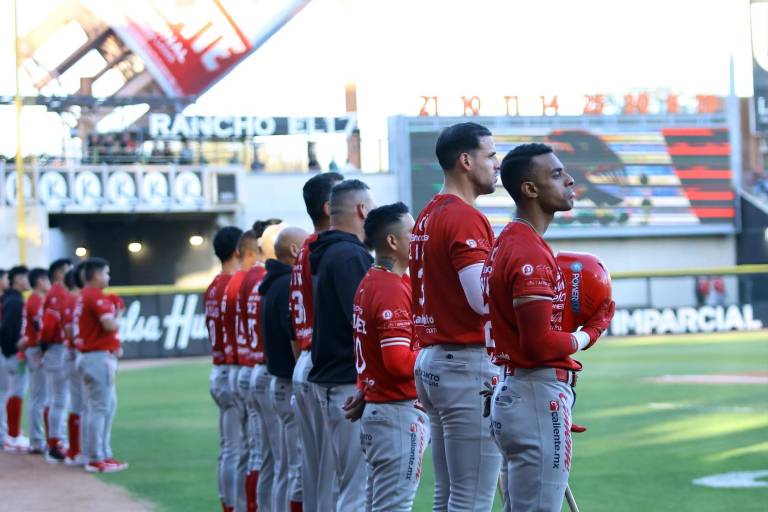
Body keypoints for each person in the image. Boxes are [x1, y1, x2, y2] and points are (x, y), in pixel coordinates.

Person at [483, 143, 614, 511]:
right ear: (530, 189)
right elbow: (539, 345)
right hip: (534, 393)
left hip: (517, 390)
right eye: (556, 174)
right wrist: (591, 331)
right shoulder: (527, 250)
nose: (570, 180)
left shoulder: (508, 240)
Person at [409, 122, 502, 511]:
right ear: (466, 160)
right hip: (465, 365)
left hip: (434, 362)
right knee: (471, 499)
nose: (497, 164)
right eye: (491, 155)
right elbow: (482, 299)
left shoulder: (429, 213)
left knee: (448, 494)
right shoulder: (464, 216)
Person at [345, 202, 429, 512]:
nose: (418, 238)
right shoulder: (390, 288)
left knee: (377, 505)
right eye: (412, 232)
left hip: (381, 411)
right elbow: (396, 363)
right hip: (396, 413)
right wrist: (433, 356)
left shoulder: (372, 282)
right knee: (393, 507)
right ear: (393, 242)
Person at [308, 179, 376, 510]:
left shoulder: (327, 250)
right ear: (362, 209)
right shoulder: (350, 254)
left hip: (331, 381)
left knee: (340, 488)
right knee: (357, 491)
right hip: (348, 384)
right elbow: (363, 323)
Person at [289, 172, 343, 512]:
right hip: (323, 362)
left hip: (306, 360)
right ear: (328, 207)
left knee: (316, 473)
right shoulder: (328, 251)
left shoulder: (306, 248)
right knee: (334, 476)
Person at [260, 227, 309, 512]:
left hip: (275, 382)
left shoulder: (271, 282)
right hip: (289, 383)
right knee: (298, 470)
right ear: (294, 250)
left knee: (285, 469)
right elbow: (294, 337)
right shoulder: (287, 283)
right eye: (305, 246)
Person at [236, 221, 276, 512]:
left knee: (254, 454)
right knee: (278, 461)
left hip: (246, 367)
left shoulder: (243, 279)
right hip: (263, 368)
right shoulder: (265, 277)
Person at [74, 257, 128, 473]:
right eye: (106, 273)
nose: (108, 277)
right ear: (96, 275)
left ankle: (98, 453)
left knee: (97, 407)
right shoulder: (94, 296)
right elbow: (109, 324)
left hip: (89, 356)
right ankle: (95, 457)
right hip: (96, 357)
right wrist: (119, 313)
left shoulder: (83, 296)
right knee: (99, 408)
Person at [206, 226, 243, 512]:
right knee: (241, 450)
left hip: (218, 369)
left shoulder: (213, 285)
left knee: (228, 448)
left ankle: (227, 504)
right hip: (234, 370)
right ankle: (235, 506)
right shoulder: (236, 284)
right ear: (237, 251)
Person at [40, 257, 73, 462]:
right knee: (59, 398)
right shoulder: (58, 293)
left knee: (57, 398)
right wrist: (46, 346)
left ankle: (55, 440)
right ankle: (55, 442)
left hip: (54, 348)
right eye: (68, 269)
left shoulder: (58, 292)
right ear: (59, 273)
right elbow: (50, 325)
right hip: (56, 347)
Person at [19, 267, 50, 454]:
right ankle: (37, 440)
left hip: (32, 348)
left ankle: (37, 439)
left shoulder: (33, 299)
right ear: (39, 281)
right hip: (36, 349)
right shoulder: (36, 300)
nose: (49, 283)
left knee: (39, 396)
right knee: (39, 397)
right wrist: (43, 349)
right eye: (47, 280)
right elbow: (39, 328)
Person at [1, 266, 30, 452]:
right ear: (17, 280)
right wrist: (12, 349)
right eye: (25, 278)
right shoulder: (13, 300)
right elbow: (6, 329)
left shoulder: (9, 299)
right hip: (11, 355)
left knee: (7, 394)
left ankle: (9, 435)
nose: (28, 281)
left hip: (7, 354)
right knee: (13, 393)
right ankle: (11, 436)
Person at [63, 266, 86, 465]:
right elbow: (70, 330)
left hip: (70, 354)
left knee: (78, 404)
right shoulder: (74, 299)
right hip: (74, 354)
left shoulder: (71, 298)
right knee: (81, 405)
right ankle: (77, 451)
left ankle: (75, 449)